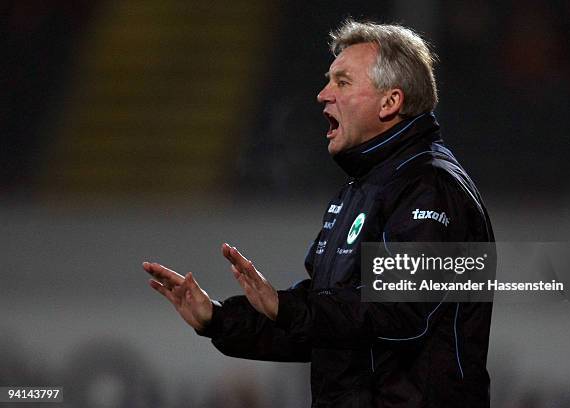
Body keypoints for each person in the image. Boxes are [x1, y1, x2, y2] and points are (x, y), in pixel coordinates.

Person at [143, 19, 494, 408]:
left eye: (342, 82)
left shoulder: (430, 188)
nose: (322, 94)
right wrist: (220, 320)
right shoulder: (363, 191)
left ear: (390, 102)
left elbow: (403, 313)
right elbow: (323, 324)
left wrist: (290, 308)